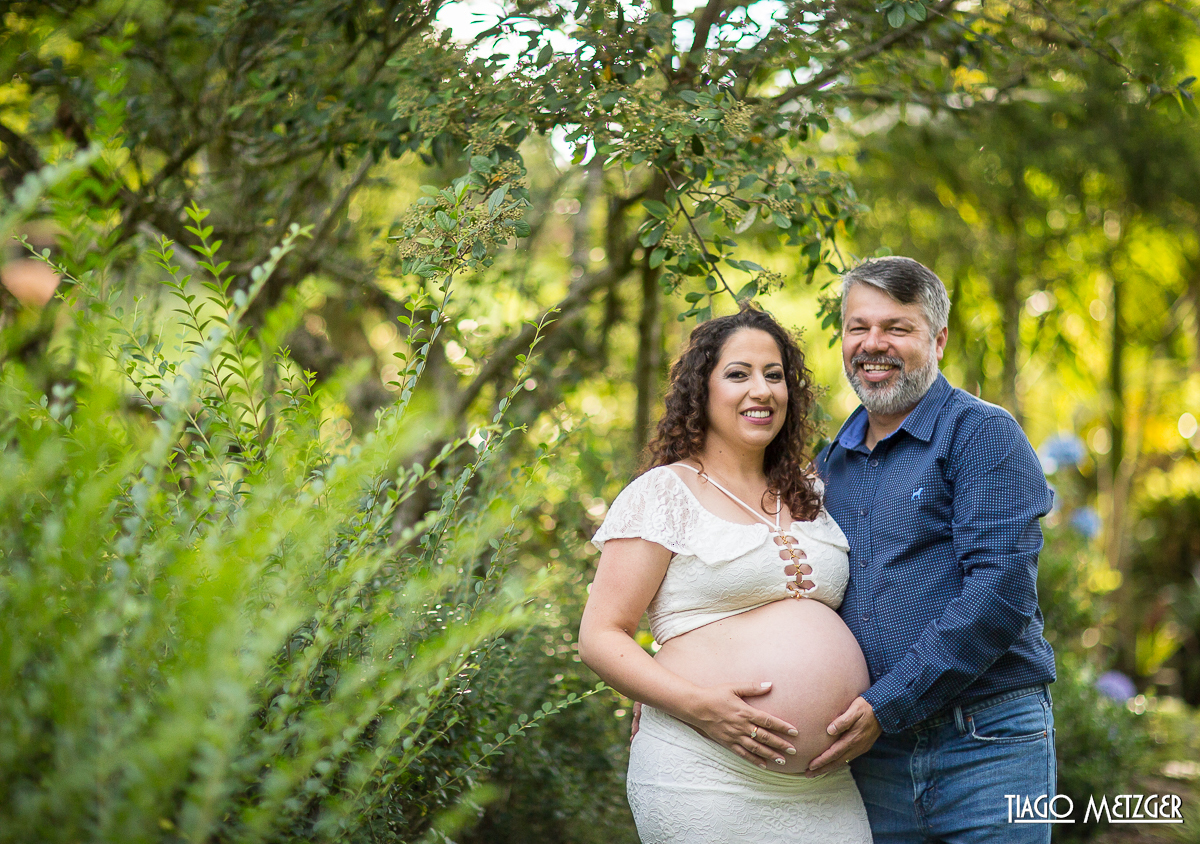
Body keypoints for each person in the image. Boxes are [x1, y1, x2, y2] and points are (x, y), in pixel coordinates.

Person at [578, 306, 874, 843]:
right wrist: (697, 706)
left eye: (775, 375)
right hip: (704, 769)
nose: (761, 390)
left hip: (826, 785)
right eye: (738, 374)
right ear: (702, 391)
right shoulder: (662, 493)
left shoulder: (816, 492)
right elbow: (600, 636)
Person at [809, 257, 1057, 843]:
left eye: (897, 328)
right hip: (874, 759)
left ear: (938, 339)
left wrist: (887, 704)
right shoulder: (828, 464)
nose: (874, 344)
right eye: (858, 327)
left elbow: (1000, 593)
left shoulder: (981, 434)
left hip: (987, 745)